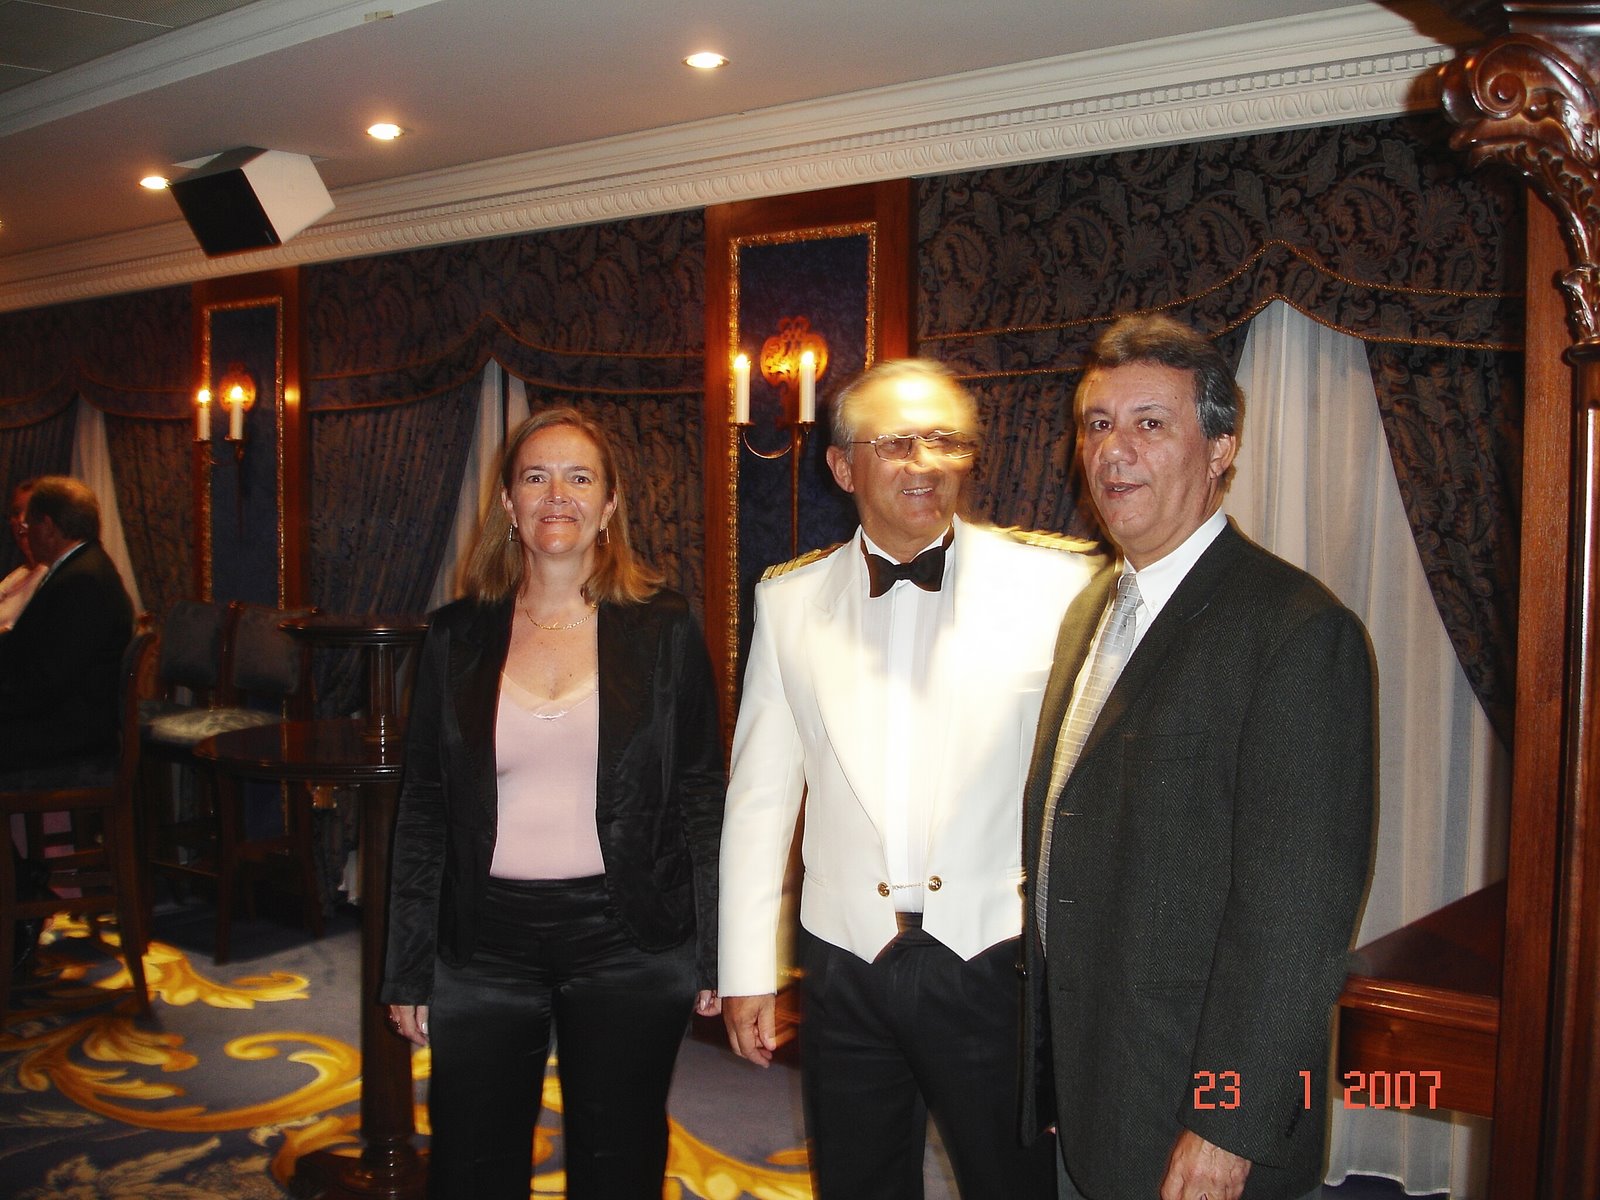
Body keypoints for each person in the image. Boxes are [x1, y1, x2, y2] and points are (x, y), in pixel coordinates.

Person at [719, 359, 1097, 1200]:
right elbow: (761, 799)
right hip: (846, 956)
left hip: (995, 956)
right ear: (842, 466)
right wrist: (746, 966)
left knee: (1012, 1185)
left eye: (945, 440)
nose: (925, 462)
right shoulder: (789, 602)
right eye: (897, 443)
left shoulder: (1059, 587)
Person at [1022, 314, 1375, 1200]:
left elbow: (1295, 920)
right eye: (1098, 424)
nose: (1115, 451)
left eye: (1151, 423)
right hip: (1092, 1085)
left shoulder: (1295, 632)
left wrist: (1228, 1126)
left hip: (1196, 1116)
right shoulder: (1091, 612)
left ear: (1221, 448)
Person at [380, 408, 725, 1200]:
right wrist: (408, 965)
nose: (557, 495)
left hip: (627, 938)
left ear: (610, 504)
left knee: (618, 1164)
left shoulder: (664, 627)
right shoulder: (454, 635)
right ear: (508, 503)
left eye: (580, 478)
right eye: (536, 477)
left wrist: (717, 947)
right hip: (482, 942)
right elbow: (424, 806)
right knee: (470, 1165)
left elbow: (701, 793)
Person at [0, 476, 134, 770]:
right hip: (58, 720)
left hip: (67, 734)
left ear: (48, 527)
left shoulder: (83, 581)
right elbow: (28, 648)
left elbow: (47, 680)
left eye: (30, 524)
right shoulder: (80, 568)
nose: (25, 533)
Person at [0, 480, 45, 632]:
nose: (21, 520)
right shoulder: (19, 574)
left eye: (30, 513)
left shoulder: (50, 576)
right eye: (16, 513)